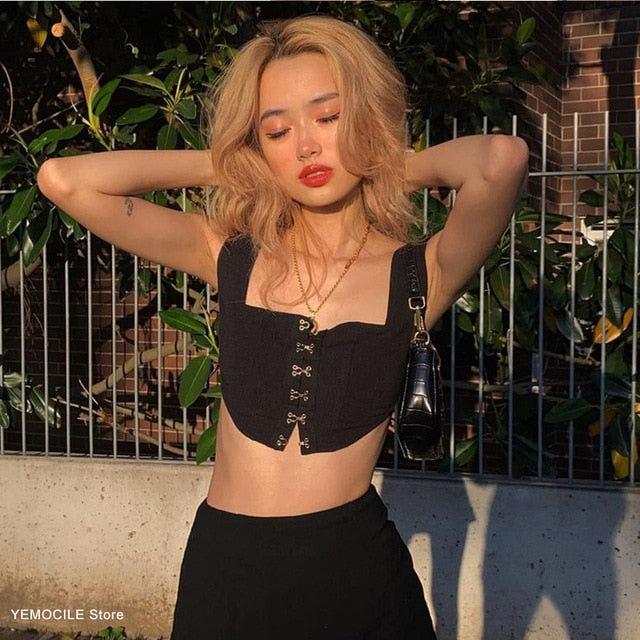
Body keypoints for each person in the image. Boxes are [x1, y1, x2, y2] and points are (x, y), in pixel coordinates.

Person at [37, 14, 528, 640]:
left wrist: (380, 160)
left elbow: (500, 159)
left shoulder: (419, 273)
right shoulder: (229, 253)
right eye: (277, 130)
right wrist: (232, 163)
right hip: (225, 571)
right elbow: (64, 180)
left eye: (329, 118)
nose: (305, 148)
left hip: (356, 577)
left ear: (368, 118)